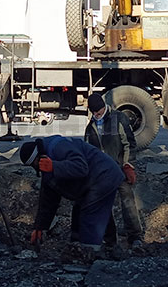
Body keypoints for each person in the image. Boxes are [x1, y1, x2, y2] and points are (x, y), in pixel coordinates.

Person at [19, 136, 124, 249]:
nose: (37, 167)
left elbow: (81, 167)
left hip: (104, 175)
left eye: (35, 164)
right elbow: (48, 199)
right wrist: (40, 226)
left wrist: (54, 166)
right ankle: (107, 246)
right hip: (93, 180)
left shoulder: (58, 147)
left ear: (39, 156)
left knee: (90, 213)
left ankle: (89, 251)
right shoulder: (46, 163)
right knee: (85, 210)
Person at [83, 93, 143, 248]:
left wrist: (128, 165)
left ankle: (135, 236)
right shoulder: (90, 128)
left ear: (104, 107)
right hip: (102, 174)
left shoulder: (119, 118)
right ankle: (109, 240)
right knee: (103, 205)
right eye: (95, 113)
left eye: (100, 112)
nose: (98, 115)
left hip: (119, 169)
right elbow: (88, 152)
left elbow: (129, 144)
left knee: (128, 202)